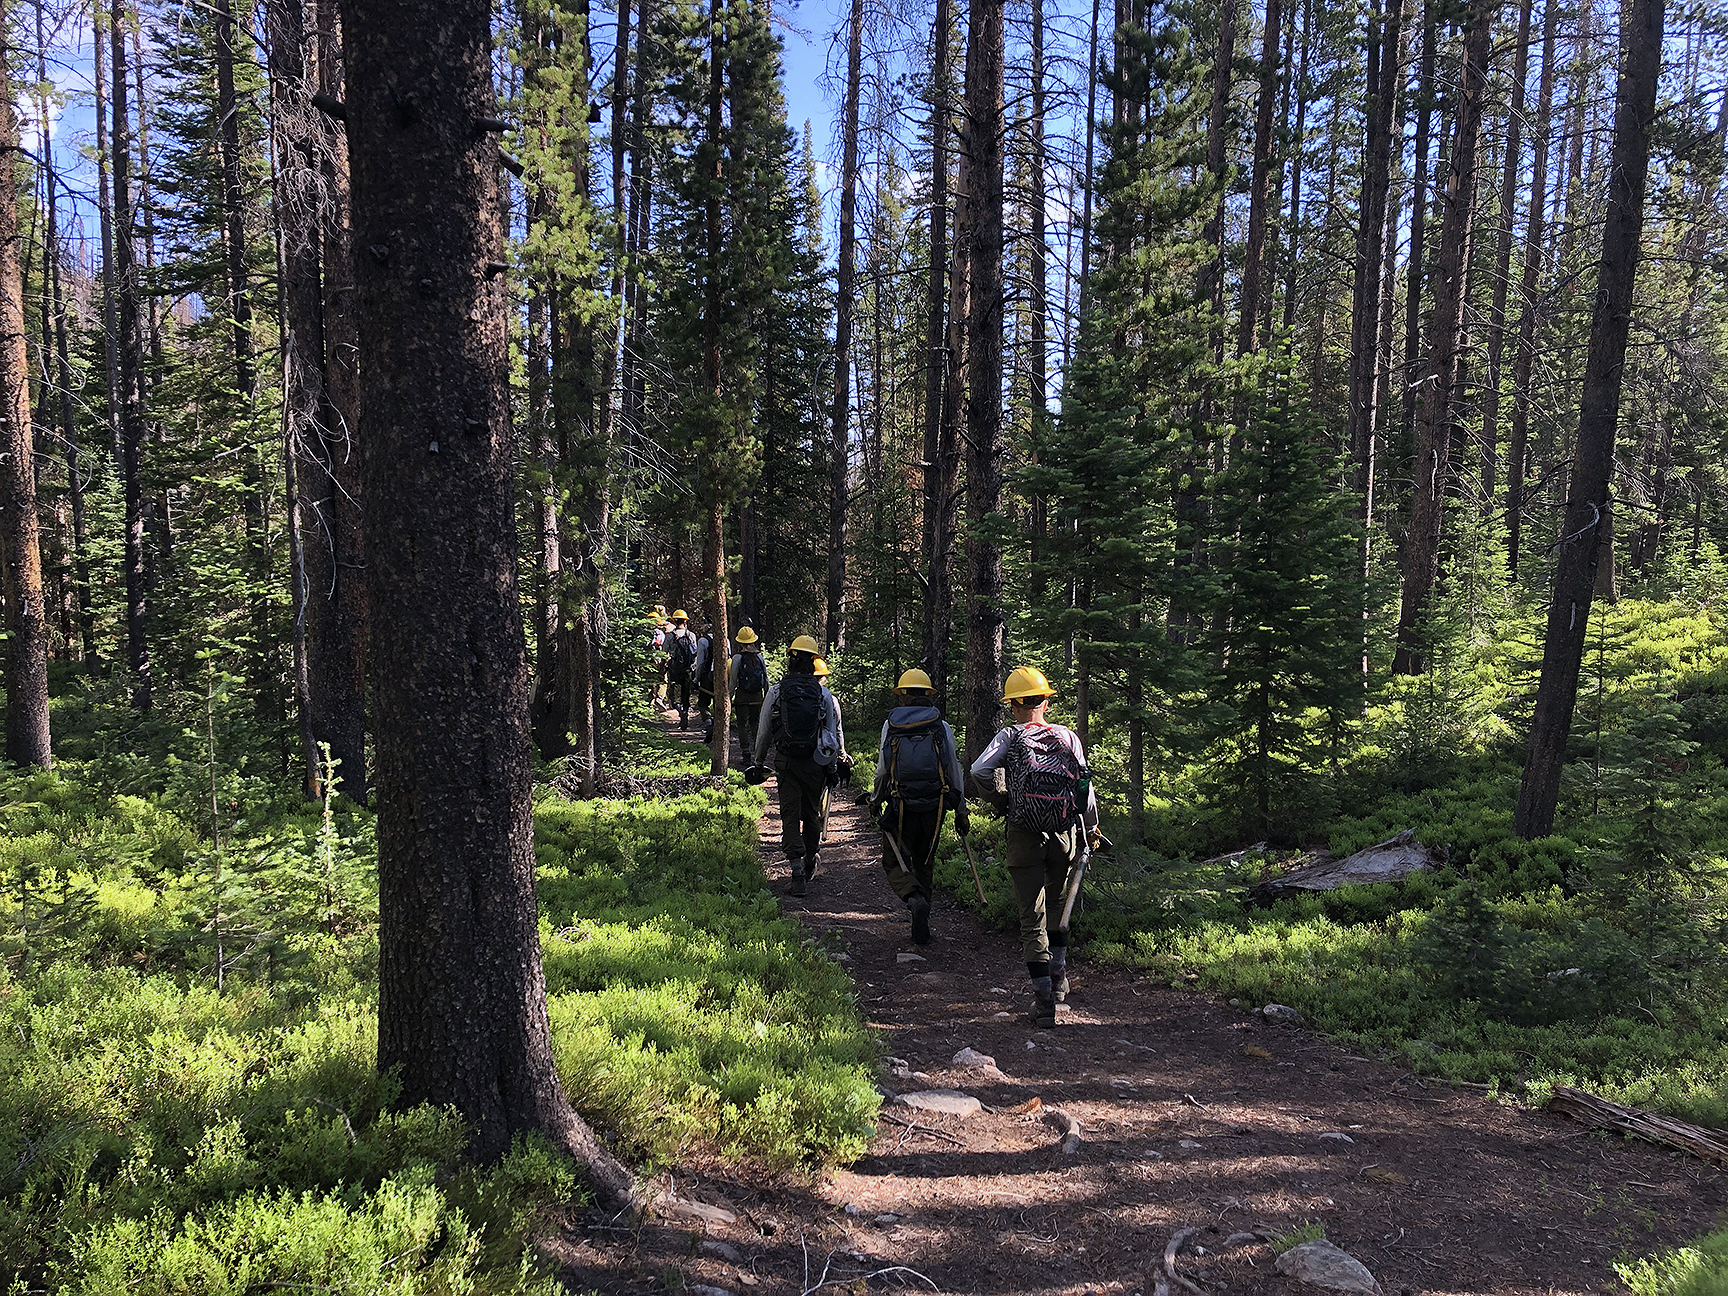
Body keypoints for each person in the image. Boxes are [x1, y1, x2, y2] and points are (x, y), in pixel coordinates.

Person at [970, 665, 1100, 1029]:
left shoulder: (1010, 736)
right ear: (1045, 701)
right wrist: (1090, 827)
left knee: (1032, 916)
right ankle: (1059, 981)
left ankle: (1043, 1001)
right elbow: (1084, 789)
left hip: (1024, 832)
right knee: (1059, 906)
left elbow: (979, 770)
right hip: (1064, 832)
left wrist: (1004, 801)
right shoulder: (1068, 737)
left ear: (1013, 705)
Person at [870, 669, 968, 945]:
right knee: (925, 861)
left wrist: (876, 801)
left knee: (894, 859)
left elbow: (882, 771)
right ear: (928, 694)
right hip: (935, 806)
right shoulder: (941, 726)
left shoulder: (891, 725)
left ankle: (913, 898)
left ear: (902, 695)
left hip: (901, 805)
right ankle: (921, 922)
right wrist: (961, 810)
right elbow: (952, 769)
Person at [753, 636, 841, 897]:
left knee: (790, 813)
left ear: (790, 659)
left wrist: (758, 762)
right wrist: (832, 766)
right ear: (814, 662)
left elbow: (764, 730)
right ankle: (811, 859)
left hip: (787, 762)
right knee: (811, 812)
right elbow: (830, 736)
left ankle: (795, 869)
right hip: (815, 763)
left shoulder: (777, 691)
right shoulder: (823, 694)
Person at [812, 657, 854, 843]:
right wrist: (842, 753)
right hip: (824, 752)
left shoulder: (793, 695)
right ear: (823, 678)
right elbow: (837, 729)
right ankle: (820, 817)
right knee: (825, 782)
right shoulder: (830, 698)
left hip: (798, 751)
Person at [730, 626, 768, 754]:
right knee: (755, 722)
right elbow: (765, 679)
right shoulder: (760, 657)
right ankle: (757, 749)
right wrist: (766, 697)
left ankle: (745, 751)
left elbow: (733, 681)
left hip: (742, 695)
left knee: (742, 724)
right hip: (757, 695)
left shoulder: (737, 658)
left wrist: (729, 697)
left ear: (740, 642)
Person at [665, 610, 698, 728]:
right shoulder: (691, 635)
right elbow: (695, 654)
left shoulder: (670, 636)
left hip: (675, 670)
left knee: (673, 697)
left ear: (674, 620)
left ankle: (680, 713)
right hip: (688, 671)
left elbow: (664, 653)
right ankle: (685, 713)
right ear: (685, 621)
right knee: (686, 695)